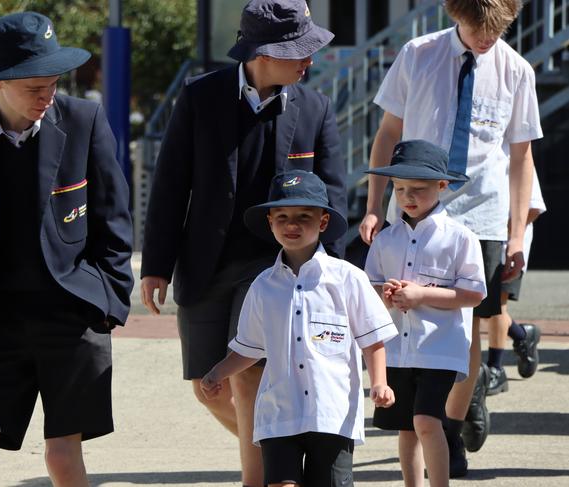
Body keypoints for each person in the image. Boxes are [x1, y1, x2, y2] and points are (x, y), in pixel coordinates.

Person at [0, 12, 133, 487]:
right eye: (34, 86)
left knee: (61, 455)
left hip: (73, 314)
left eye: (53, 83)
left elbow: (113, 219)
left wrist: (110, 302)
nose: (47, 96)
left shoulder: (84, 120)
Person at [140, 1, 346, 484]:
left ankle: (265, 478)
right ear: (263, 53)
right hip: (205, 264)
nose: (308, 61)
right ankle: (281, 454)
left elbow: (334, 196)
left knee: (248, 375)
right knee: (207, 388)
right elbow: (170, 184)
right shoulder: (199, 98)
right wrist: (157, 265)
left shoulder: (315, 108)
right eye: (299, 51)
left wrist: (325, 271)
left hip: (275, 268)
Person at [359, 0, 542, 476]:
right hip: (416, 202)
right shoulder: (418, 54)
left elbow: (520, 157)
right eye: (479, 28)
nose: (487, 39)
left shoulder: (516, 70)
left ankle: (450, 425)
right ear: (456, 13)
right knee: (408, 307)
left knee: (473, 320)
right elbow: (388, 132)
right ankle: (423, 409)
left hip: (481, 211)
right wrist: (374, 205)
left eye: (497, 30)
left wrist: (517, 233)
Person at [200, 170, 398, 487]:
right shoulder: (263, 286)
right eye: (282, 216)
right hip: (279, 412)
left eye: (303, 216)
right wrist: (217, 373)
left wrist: (380, 383)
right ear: (270, 222)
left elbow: (372, 339)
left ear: (322, 222)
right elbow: (247, 348)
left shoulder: (347, 279)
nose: (292, 225)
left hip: (332, 414)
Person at [364, 140, 486, 487]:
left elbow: (475, 293)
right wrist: (384, 295)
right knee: (407, 427)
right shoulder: (386, 240)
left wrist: (421, 294)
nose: (407, 197)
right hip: (398, 351)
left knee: (426, 421)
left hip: (440, 349)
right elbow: (368, 290)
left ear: (442, 186)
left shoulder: (460, 237)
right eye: (400, 189)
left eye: (417, 189)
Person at [481, 168, 546, 396]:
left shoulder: (516, 158)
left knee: (497, 305)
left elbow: (534, 207)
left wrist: (508, 236)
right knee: (480, 308)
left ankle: (496, 368)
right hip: (482, 238)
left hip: (507, 245)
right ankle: (522, 335)